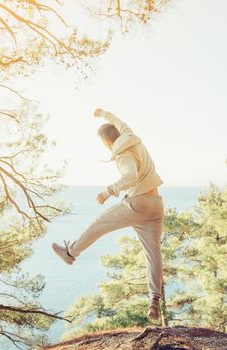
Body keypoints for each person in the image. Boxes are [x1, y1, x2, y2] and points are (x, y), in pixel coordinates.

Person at [51, 108, 165, 322]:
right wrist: (103, 113)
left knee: (100, 223)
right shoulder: (132, 137)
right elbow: (119, 121)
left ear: (106, 144)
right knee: (153, 253)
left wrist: (108, 191)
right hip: (156, 203)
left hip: (137, 203)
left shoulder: (122, 155)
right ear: (119, 133)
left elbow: (130, 176)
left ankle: (71, 252)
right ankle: (154, 299)